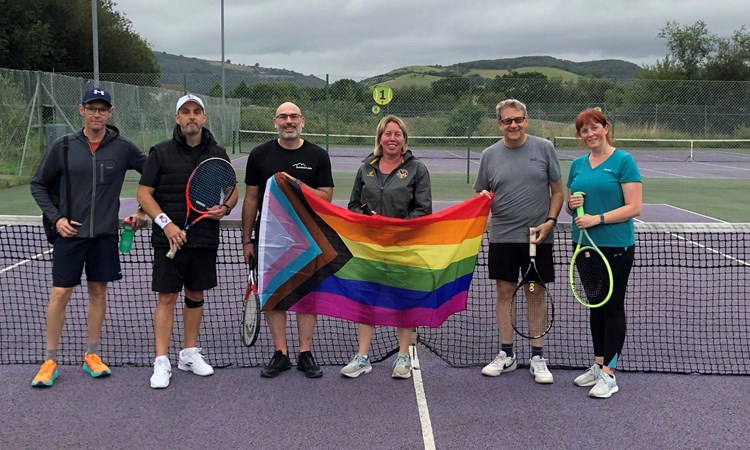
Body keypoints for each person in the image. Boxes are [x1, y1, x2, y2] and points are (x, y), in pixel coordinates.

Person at [29, 87, 147, 387]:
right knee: (60, 295)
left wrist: (144, 210)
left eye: (102, 109)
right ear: (81, 110)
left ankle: (91, 354)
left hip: (105, 236)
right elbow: (38, 185)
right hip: (70, 235)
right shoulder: (64, 146)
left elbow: (153, 175)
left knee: (98, 293)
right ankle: (49, 360)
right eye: (91, 108)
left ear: (111, 112)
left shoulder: (123, 148)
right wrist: (58, 219)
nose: (97, 113)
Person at [137, 94, 239, 389]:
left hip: (204, 237)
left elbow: (231, 191)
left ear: (204, 118)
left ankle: (189, 353)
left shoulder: (217, 153)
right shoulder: (160, 152)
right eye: (185, 112)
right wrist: (166, 224)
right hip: (167, 238)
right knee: (167, 297)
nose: (191, 116)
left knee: (196, 295)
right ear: (177, 118)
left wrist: (227, 207)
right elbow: (145, 193)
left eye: (197, 112)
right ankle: (161, 360)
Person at [242, 102, 334, 379]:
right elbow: (250, 198)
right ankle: (280, 353)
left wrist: (295, 184)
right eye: (283, 116)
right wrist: (247, 240)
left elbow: (326, 197)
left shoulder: (318, 155)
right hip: (269, 239)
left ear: (302, 121)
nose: (289, 121)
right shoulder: (259, 155)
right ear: (275, 122)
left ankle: (305, 352)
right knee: (275, 294)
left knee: (306, 294)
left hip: (307, 238)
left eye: (294, 116)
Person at [474, 99, 563, 384]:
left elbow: (558, 191)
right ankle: (507, 353)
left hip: (537, 239)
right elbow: (482, 195)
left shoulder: (544, 149)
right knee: (504, 292)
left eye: (518, 119)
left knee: (535, 292)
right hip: (502, 237)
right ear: (499, 124)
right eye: (507, 121)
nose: (513, 125)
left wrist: (550, 221)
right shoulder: (489, 155)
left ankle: (538, 356)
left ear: (526, 120)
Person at [341, 115, 432, 380]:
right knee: (366, 299)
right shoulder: (365, 168)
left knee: (402, 299)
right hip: (370, 248)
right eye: (387, 134)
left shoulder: (417, 169)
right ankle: (362, 357)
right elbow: (353, 206)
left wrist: (396, 227)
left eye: (397, 134)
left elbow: (423, 209)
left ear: (404, 139)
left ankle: (403, 356)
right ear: (379, 138)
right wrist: (368, 220)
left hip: (404, 246)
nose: (392, 139)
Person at [566, 108, 642, 398]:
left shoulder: (624, 161)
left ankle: (610, 373)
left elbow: (634, 207)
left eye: (594, 127)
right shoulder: (577, 165)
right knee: (596, 305)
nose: (590, 134)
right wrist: (572, 205)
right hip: (584, 246)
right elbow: (569, 206)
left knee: (612, 306)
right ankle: (598, 365)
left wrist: (597, 219)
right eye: (584, 131)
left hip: (615, 246)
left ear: (606, 128)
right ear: (580, 136)